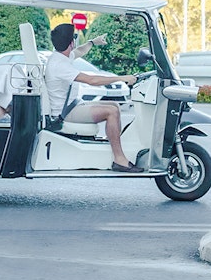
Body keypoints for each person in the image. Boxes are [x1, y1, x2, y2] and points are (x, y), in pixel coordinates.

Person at [44, 23, 143, 173]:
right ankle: (119, 159)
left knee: (114, 106)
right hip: (65, 114)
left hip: (72, 106)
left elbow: (79, 51)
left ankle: (116, 145)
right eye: (75, 37)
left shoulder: (61, 55)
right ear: (71, 42)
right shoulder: (59, 64)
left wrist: (92, 42)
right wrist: (122, 78)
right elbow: (92, 81)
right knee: (111, 112)